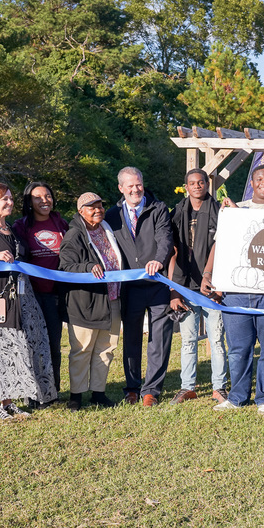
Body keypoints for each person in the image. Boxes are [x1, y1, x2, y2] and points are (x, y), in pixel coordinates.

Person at [0, 183, 57, 421]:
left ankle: (9, 401)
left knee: (14, 350)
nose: (9, 202)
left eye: (10, 198)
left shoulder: (11, 230)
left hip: (18, 300)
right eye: (2, 199)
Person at [208, 164, 264, 414]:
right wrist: (208, 273)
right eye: (259, 179)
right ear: (252, 184)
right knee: (238, 348)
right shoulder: (236, 209)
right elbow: (220, 244)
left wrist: (236, 215)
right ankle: (237, 396)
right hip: (237, 289)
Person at [104, 167, 174, 407]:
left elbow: (165, 239)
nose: (136, 189)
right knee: (131, 339)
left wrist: (159, 260)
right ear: (121, 188)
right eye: (130, 186)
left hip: (157, 284)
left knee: (159, 340)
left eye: (139, 184)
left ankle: (151, 390)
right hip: (129, 288)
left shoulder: (159, 209)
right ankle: (132, 388)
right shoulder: (111, 215)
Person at [59, 192, 123, 411]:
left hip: (112, 298)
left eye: (100, 206)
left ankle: (98, 393)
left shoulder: (106, 228)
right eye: (91, 207)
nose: (98, 210)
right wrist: (87, 267)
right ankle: (76, 396)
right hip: (85, 301)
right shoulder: (74, 234)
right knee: (82, 348)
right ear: (80, 211)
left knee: (107, 347)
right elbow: (65, 266)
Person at [169, 169, 227, 404]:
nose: (197, 186)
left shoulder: (220, 211)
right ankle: (187, 386)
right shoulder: (176, 213)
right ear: (186, 186)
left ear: (206, 185)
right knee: (188, 340)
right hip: (185, 286)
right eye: (192, 183)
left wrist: (220, 285)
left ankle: (219, 387)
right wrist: (173, 289)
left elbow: (226, 246)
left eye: (201, 182)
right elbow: (170, 252)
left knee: (216, 339)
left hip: (213, 286)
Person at [12, 181, 68, 406]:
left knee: (54, 346)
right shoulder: (21, 226)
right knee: (31, 345)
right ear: (29, 201)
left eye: (48, 196)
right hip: (31, 295)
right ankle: (32, 394)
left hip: (56, 294)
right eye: (38, 197)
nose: (44, 200)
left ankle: (52, 392)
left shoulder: (60, 222)